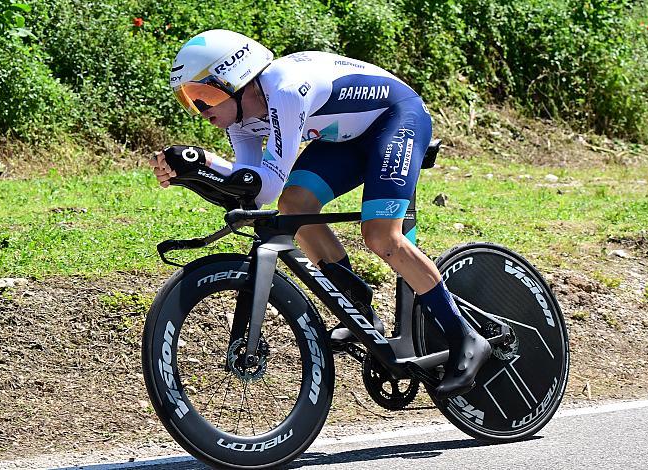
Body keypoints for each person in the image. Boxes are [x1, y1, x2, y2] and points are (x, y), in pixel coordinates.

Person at [149, 29, 491, 398]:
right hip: (345, 138)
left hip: (396, 118)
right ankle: (359, 309)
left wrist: (205, 161)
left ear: (237, 80)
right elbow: (251, 193)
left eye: (205, 96)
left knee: (381, 236)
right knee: (294, 207)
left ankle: (466, 337)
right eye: (190, 100)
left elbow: (265, 184)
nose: (202, 111)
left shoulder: (283, 89)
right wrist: (193, 174)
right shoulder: (243, 119)